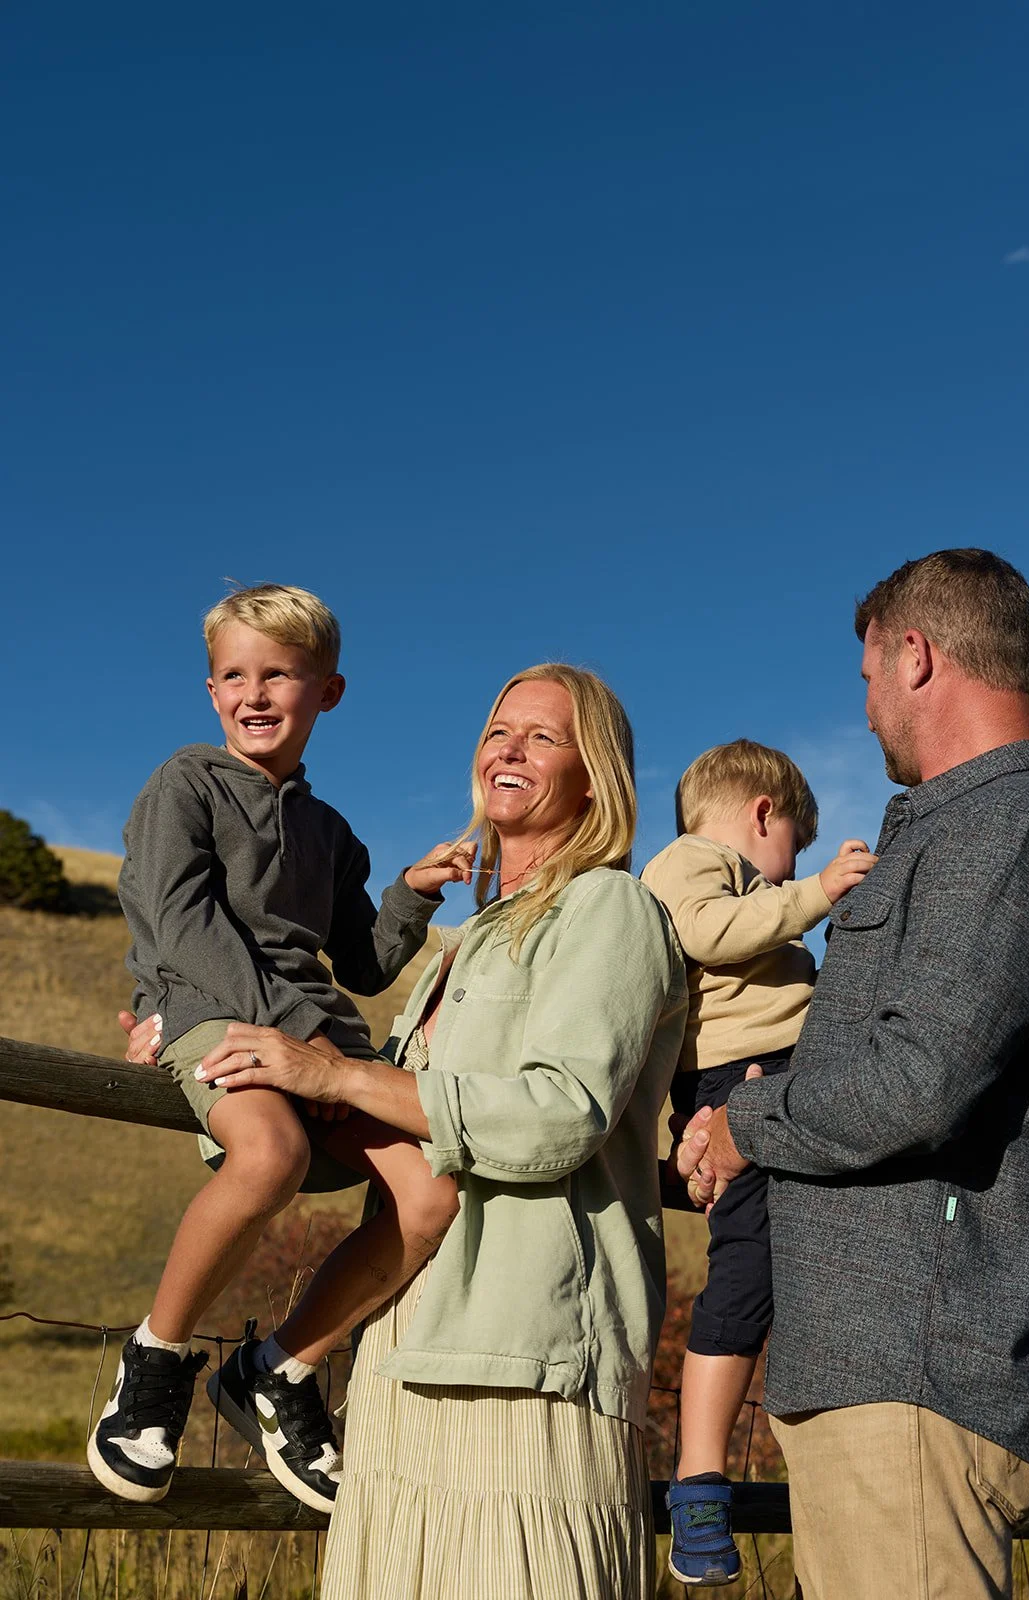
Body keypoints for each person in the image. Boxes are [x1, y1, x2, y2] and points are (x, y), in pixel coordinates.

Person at [194, 663, 689, 1600]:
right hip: (398, 1353)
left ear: (597, 775)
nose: (509, 747)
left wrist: (343, 1073)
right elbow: (377, 1113)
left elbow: (558, 1116)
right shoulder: (458, 952)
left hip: (523, 1353)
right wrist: (189, 1034)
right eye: (500, 730)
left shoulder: (608, 911)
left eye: (544, 737)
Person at [677, 549, 1029, 1600]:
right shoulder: (960, 833)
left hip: (912, 1380)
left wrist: (742, 1117)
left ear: (915, 655)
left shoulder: (1001, 829)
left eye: (862, 679)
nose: (859, 713)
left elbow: (913, 1082)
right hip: (878, 1376)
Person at [92, 583, 472, 1512]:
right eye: (233, 675)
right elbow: (180, 926)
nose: (254, 694)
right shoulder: (185, 783)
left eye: (280, 675)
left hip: (319, 1036)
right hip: (218, 1013)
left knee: (432, 1197)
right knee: (271, 1152)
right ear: (211, 690)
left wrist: (412, 894)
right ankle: (155, 1366)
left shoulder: (331, 832)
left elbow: (362, 962)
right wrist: (292, 1032)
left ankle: (282, 1368)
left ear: (327, 693)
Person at [641, 740, 875, 1586]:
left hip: (786, 1078)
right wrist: (812, 894)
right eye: (791, 853)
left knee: (800, 1272)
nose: (792, 873)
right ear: (762, 815)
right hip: (740, 1083)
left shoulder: (737, 877)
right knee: (745, 1271)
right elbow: (708, 932)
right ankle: (698, 1480)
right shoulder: (690, 864)